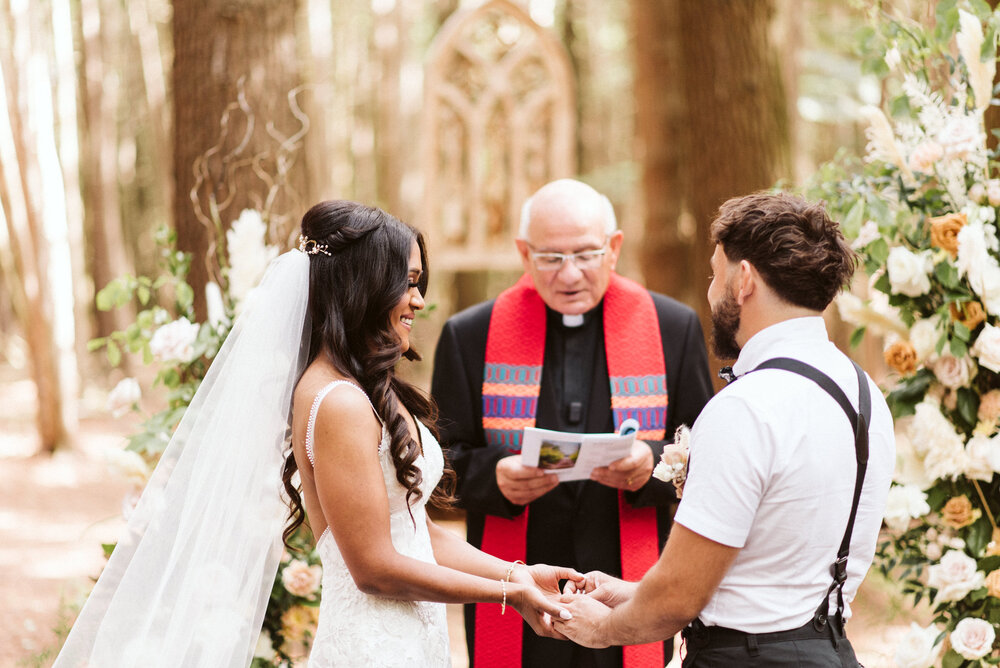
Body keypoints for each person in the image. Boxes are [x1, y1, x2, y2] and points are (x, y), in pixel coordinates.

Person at [53, 200, 579, 668]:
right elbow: (374, 567)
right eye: (408, 282)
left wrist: (519, 574)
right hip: (373, 647)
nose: (419, 300)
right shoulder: (339, 402)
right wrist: (508, 597)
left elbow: (413, 531)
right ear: (364, 286)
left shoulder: (367, 387)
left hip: (412, 640)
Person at [552, 192, 896, 668]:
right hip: (833, 652)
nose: (711, 292)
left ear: (745, 280)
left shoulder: (745, 407)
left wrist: (602, 628)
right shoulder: (865, 395)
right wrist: (631, 592)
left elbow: (678, 597)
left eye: (716, 274)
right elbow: (770, 574)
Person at [431, 179, 714, 667]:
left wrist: (652, 467)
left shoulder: (673, 327)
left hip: (631, 588)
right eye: (550, 258)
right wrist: (493, 478)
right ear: (523, 253)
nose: (570, 275)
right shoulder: (469, 335)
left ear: (614, 248)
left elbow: (711, 456)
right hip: (517, 595)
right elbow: (437, 467)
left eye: (586, 254)